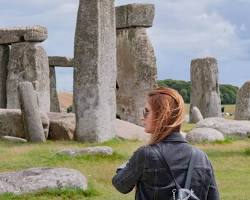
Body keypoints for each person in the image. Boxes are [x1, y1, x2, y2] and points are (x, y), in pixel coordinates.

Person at [112, 87, 220, 200]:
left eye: (146, 112)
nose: (142, 117)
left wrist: (131, 162)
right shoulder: (202, 157)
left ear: (162, 115)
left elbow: (120, 184)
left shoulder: (145, 154)